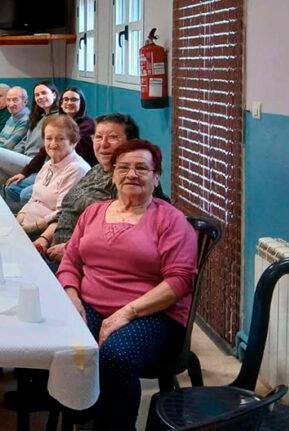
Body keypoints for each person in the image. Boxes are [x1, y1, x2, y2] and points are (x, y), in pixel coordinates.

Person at [58, 139, 197, 430]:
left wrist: (126, 313)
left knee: (115, 355)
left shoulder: (170, 220)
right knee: (60, 343)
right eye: (123, 167)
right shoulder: (94, 212)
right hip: (91, 306)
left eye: (141, 168)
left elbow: (180, 281)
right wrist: (72, 298)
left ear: (156, 177)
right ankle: (81, 414)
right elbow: (70, 260)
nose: (131, 174)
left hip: (154, 315)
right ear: (113, 174)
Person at [38, 113, 143, 267]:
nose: (103, 144)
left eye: (113, 137)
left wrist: (72, 249)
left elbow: (119, 238)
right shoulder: (96, 170)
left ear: (131, 143)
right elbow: (66, 212)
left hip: (84, 264)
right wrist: (43, 239)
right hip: (54, 251)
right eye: (98, 137)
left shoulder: (130, 182)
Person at [4, 87, 96, 210]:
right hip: (52, 168)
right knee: (12, 188)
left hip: (71, 172)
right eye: (66, 99)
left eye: (74, 100)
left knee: (26, 195)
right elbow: (43, 151)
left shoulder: (87, 124)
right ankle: (27, 214)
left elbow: (66, 153)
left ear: (81, 103)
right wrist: (24, 172)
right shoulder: (57, 121)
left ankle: (40, 217)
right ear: (61, 103)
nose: (69, 103)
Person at [0, 81, 60, 191]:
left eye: (44, 93)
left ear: (54, 94)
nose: (40, 97)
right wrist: (13, 156)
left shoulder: (58, 119)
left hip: (37, 164)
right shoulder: (38, 117)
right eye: (37, 95)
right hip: (25, 158)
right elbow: (24, 142)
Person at [16, 115, 90, 239]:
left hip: (44, 233)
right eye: (49, 138)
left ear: (74, 142)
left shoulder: (76, 169)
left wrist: (29, 228)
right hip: (26, 225)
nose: (53, 144)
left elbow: (62, 214)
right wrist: (19, 218)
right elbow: (33, 199)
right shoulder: (49, 163)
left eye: (60, 139)